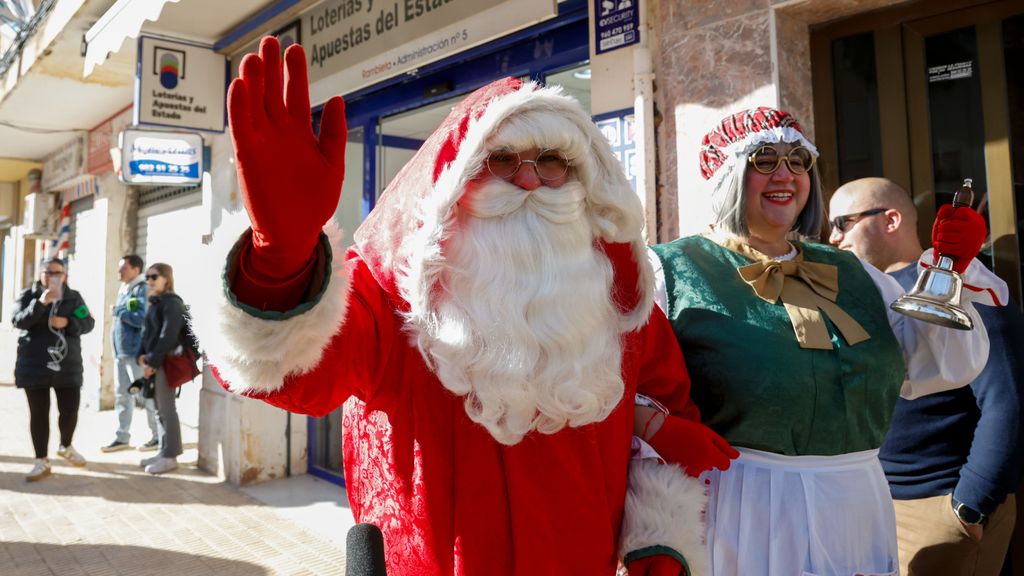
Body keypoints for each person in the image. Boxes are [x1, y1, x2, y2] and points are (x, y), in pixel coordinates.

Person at [192, 36, 736, 575]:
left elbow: (664, 411)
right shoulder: (388, 301)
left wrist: (660, 535)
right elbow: (292, 375)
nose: (528, 179)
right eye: (502, 160)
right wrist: (280, 262)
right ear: (456, 181)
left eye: (552, 163)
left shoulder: (619, 308)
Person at [644, 107, 1005, 576]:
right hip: (742, 507)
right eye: (764, 160)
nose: (786, 174)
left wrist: (948, 271)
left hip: (856, 503)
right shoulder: (668, 271)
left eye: (798, 160)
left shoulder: (856, 273)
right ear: (726, 175)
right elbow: (625, 389)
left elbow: (930, 368)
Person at [828, 177, 1024, 576]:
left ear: (892, 219)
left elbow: (1008, 401)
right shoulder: (863, 293)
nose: (833, 238)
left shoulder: (965, 283)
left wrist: (969, 505)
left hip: (939, 505)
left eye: (843, 222)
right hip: (872, 506)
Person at [13, 257, 95, 481]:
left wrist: (69, 323)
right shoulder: (27, 295)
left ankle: (66, 445)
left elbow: (88, 322)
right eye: (48, 272)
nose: (53, 277)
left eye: (58, 273)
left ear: (64, 275)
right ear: (41, 274)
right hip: (34, 365)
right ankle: (41, 460)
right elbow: (18, 321)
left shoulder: (73, 297)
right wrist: (40, 303)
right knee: (39, 415)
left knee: (69, 411)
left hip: (67, 366)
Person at [102, 254, 160, 453]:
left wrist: (118, 311)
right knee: (123, 396)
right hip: (122, 352)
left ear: (136, 270)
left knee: (146, 394)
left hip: (136, 354)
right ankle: (122, 437)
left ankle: (157, 436)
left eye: (123, 268)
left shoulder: (141, 289)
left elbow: (141, 318)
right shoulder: (126, 288)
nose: (119, 271)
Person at [137, 262, 186, 475]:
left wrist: (152, 363)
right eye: (147, 277)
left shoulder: (172, 303)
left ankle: (171, 456)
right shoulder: (155, 302)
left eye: (154, 276)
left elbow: (169, 336)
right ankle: (163, 451)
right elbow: (148, 333)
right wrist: (140, 355)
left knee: (167, 410)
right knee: (159, 411)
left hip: (165, 363)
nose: (149, 281)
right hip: (154, 362)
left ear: (166, 278)